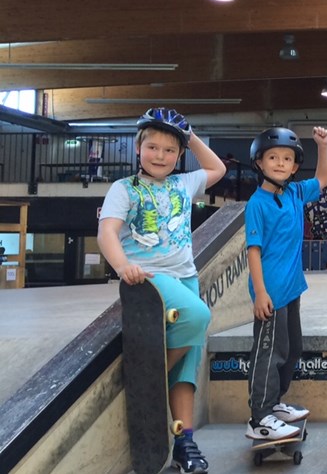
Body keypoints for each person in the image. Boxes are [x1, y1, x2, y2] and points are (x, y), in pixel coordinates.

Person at [98, 108, 226, 474]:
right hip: (149, 281)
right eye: (152, 147)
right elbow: (108, 231)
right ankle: (149, 382)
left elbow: (217, 170)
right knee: (199, 315)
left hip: (186, 279)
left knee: (186, 371)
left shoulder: (183, 183)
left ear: (179, 154)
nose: (160, 156)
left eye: (170, 150)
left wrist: (191, 135)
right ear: (138, 149)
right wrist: (123, 266)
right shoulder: (124, 189)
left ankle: (184, 442)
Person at [244, 126, 327, 441]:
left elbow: (322, 181)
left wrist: (323, 146)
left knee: (293, 349)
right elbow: (253, 251)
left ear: (294, 166)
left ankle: (274, 404)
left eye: (287, 158)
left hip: (291, 288)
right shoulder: (257, 203)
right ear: (259, 163)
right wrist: (261, 292)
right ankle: (259, 417)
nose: (280, 163)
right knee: (269, 353)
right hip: (271, 293)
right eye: (273, 157)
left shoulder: (294, 192)